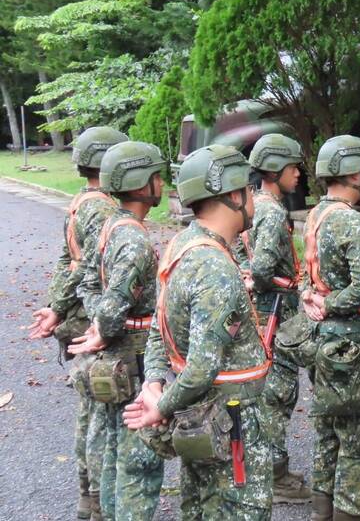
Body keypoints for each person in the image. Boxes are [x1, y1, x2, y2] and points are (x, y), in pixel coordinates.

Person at [123, 144, 272, 520]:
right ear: (234, 196)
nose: (253, 197)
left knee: (200, 507)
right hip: (232, 420)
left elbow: (159, 328)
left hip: (201, 419)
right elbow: (203, 368)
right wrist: (161, 404)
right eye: (249, 189)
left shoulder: (181, 246)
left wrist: (154, 380)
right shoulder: (215, 268)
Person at [29, 126, 127, 520]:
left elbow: (64, 262)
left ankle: (90, 497)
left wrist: (55, 305)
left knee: (90, 412)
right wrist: (62, 306)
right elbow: (86, 267)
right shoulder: (101, 208)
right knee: (101, 413)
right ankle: (99, 500)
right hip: (94, 319)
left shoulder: (79, 203)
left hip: (80, 315)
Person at [68, 140, 166, 520]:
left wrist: (100, 322)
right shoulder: (135, 239)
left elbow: (87, 284)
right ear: (141, 182)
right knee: (139, 460)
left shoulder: (112, 226)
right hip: (133, 356)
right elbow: (108, 304)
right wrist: (104, 327)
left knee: (112, 451)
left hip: (116, 356)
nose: (162, 183)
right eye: (157, 176)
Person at [301, 135, 360, 521]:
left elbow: (314, 275)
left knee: (330, 429)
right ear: (355, 174)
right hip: (355, 346)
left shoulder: (315, 218)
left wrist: (315, 299)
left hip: (324, 342)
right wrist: (331, 302)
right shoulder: (353, 222)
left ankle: (323, 510)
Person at [243, 133, 312, 503]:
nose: (298, 173)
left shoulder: (258, 204)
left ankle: (274, 468)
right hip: (276, 314)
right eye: (292, 167)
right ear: (274, 170)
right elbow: (264, 268)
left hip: (268, 311)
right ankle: (274, 476)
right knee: (279, 393)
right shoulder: (270, 211)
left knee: (273, 393)